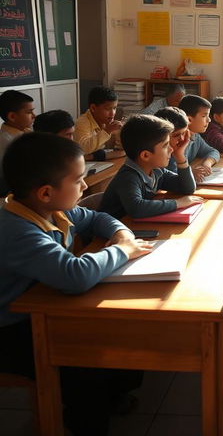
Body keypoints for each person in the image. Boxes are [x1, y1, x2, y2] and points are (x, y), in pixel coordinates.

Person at [0, 133, 153, 436]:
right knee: (84, 357)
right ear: (45, 192)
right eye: (79, 180)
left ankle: (115, 394)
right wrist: (122, 250)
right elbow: (75, 275)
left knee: (123, 327)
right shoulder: (16, 230)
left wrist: (122, 234)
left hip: (43, 307)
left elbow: (96, 218)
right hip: (11, 330)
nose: (85, 186)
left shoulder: (50, 207)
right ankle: (86, 424)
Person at [100, 115, 202, 220]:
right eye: (165, 145)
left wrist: (180, 157)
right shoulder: (128, 177)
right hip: (108, 235)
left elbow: (187, 188)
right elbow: (137, 209)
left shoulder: (156, 171)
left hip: (132, 227)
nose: (171, 149)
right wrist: (178, 203)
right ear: (145, 155)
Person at [175, 95, 221, 181]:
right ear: (189, 120)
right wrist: (189, 172)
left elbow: (213, 151)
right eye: (204, 116)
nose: (209, 120)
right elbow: (167, 170)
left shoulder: (195, 136)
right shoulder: (175, 141)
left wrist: (207, 164)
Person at [0, 90, 35, 196]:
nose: (34, 115)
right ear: (12, 117)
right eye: (29, 112)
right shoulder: (10, 142)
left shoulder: (24, 132)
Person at [74, 86, 125, 158]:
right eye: (107, 109)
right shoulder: (81, 123)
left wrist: (122, 132)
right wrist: (107, 131)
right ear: (93, 108)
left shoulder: (108, 121)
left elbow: (123, 151)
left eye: (114, 108)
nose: (112, 113)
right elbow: (83, 149)